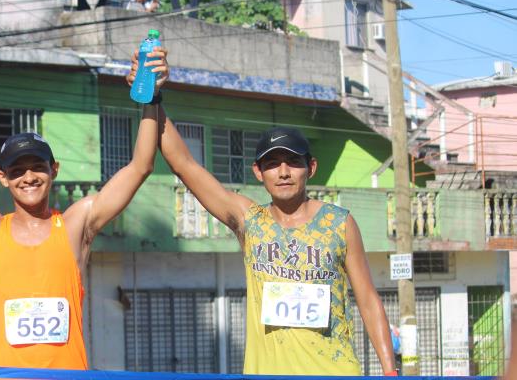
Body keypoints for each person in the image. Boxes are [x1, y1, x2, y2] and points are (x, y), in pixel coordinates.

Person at [128, 50, 396, 376]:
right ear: (258, 172)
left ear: (310, 167)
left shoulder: (339, 222)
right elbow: (184, 165)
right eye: (272, 164)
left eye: (293, 162)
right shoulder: (250, 220)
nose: (283, 172)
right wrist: (154, 97)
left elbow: (368, 301)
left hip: (335, 372)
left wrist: (390, 372)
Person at [0, 52, 167, 370]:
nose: (28, 177)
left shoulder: (74, 225)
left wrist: (152, 97)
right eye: (17, 171)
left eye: (37, 167)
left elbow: (140, 167)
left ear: (53, 169)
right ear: (3, 178)